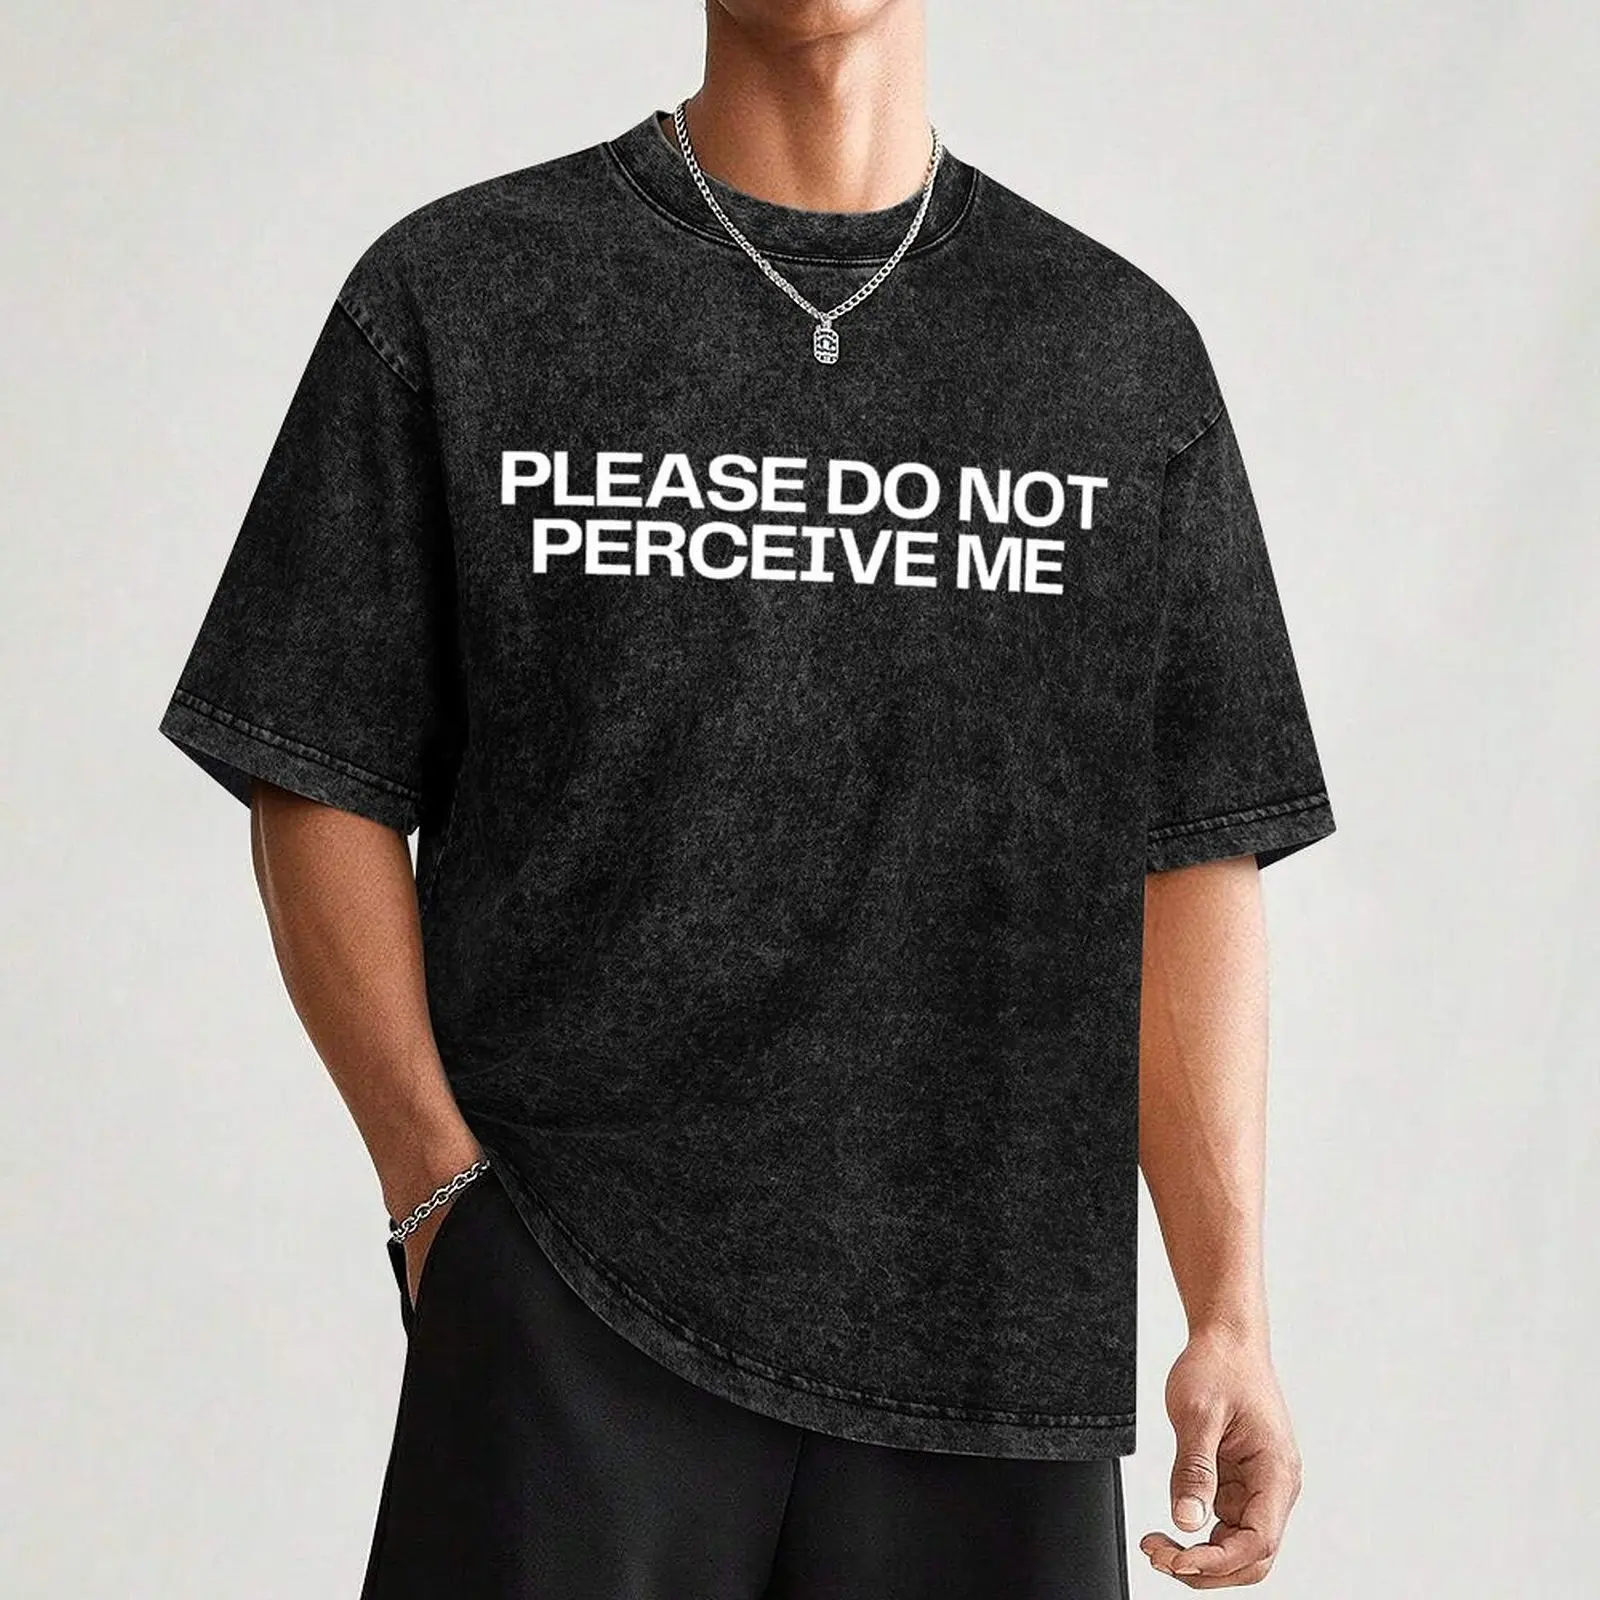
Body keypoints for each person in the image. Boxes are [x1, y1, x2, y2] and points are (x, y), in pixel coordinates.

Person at [159, 2, 1336, 1594]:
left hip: (989, 1342)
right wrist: (436, 1193)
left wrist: (1230, 1312)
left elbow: (1189, 847)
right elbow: (316, 762)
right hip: (572, 1316)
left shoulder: (1114, 357)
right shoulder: (464, 294)